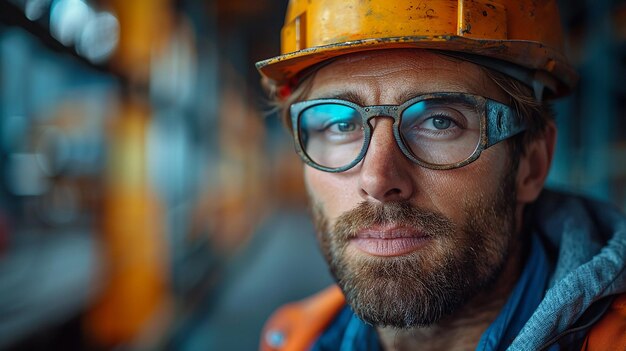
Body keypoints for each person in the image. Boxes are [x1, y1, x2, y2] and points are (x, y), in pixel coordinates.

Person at [255, 1, 626, 350]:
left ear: (532, 162)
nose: (377, 180)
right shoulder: (293, 337)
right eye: (339, 124)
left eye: (439, 121)